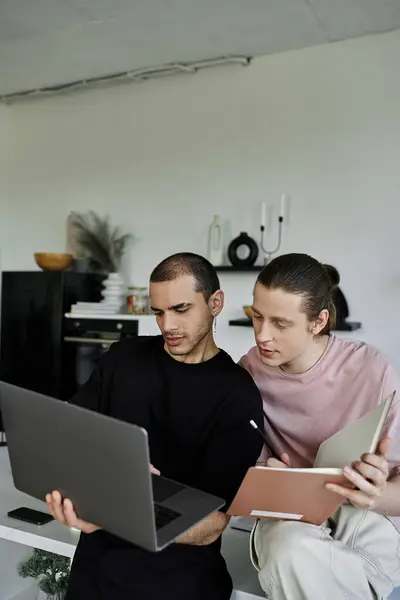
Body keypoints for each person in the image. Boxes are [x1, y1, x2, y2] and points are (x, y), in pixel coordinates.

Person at [46, 252, 264, 600]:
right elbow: (70, 436)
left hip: (179, 586)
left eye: (181, 309)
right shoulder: (122, 359)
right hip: (94, 576)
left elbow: (211, 525)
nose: (167, 326)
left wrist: (120, 512)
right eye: (158, 312)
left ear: (215, 302)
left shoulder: (237, 394)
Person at [240, 252, 400, 600]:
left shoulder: (373, 370)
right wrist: (263, 473)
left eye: (280, 324)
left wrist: (378, 493)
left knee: (326, 564)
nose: (262, 336)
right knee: (289, 550)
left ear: (318, 321)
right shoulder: (248, 371)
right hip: (288, 515)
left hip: (364, 514)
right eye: (257, 317)